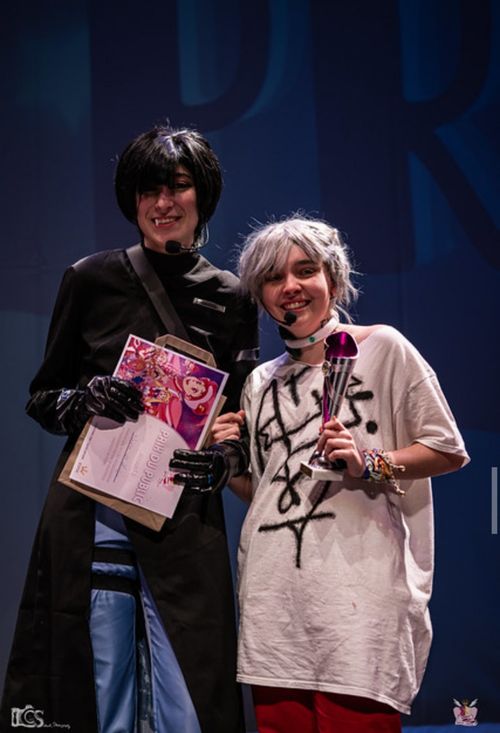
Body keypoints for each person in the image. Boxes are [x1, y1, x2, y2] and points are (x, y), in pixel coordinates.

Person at [0, 126, 258, 733]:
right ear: (131, 199)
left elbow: (242, 421)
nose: (162, 203)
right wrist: (81, 399)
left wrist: (224, 462)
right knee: (99, 686)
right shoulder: (89, 278)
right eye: (148, 190)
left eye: (178, 186)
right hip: (96, 515)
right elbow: (41, 397)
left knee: (190, 698)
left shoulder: (233, 297)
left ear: (203, 195)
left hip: (184, 518)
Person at [171, 217, 469, 732]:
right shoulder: (260, 382)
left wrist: (369, 462)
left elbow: (447, 450)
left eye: (305, 270)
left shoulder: (382, 348)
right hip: (274, 605)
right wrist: (225, 460)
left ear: (333, 277)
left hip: (358, 604)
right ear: (260, 295)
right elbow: (266, 492)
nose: (290, 286)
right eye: (273, 278)